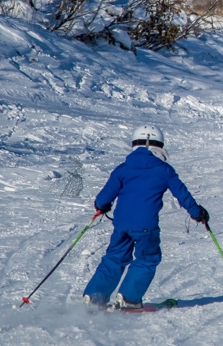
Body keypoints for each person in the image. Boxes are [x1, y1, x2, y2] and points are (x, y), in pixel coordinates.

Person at [82, 126, 209, 310]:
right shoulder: (164, 170)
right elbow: (183, 196)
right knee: (147, 258)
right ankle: (129, 298)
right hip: (146, 227)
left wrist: (102, 206)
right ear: (159, 146)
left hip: (121, 225)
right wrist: (198, 214)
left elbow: (103, 199)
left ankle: (94, 297)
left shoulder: (123, 169)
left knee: (114, 258)